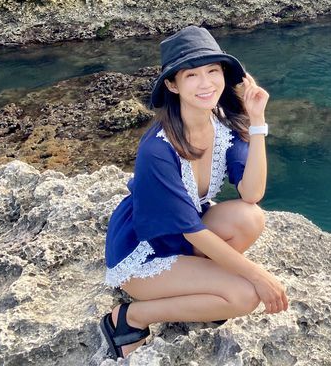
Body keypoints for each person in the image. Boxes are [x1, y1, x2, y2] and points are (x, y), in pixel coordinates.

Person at [100, 25, 289, 359]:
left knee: (250, 217)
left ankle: (203, 292)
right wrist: (260, 276)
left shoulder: (223, 123)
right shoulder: (157, 150)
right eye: (192, 75)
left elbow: (251, 192)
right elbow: (195, 232)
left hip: (185, 240)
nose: (206, 84)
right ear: (173, 85)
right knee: (246, 296)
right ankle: (129, 318)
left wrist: (256, 120)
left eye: (213, 71)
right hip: (145, 252)